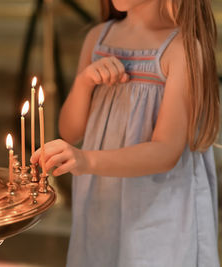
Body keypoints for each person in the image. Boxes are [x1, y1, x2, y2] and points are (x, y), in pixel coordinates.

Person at [30, 0, 220, 266]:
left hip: (160, 208)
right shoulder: (98, 38)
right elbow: (69, 131)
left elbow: (166, 151)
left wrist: (86, 160)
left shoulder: (181, 50)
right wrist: (85, 82)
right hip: (102, 202)